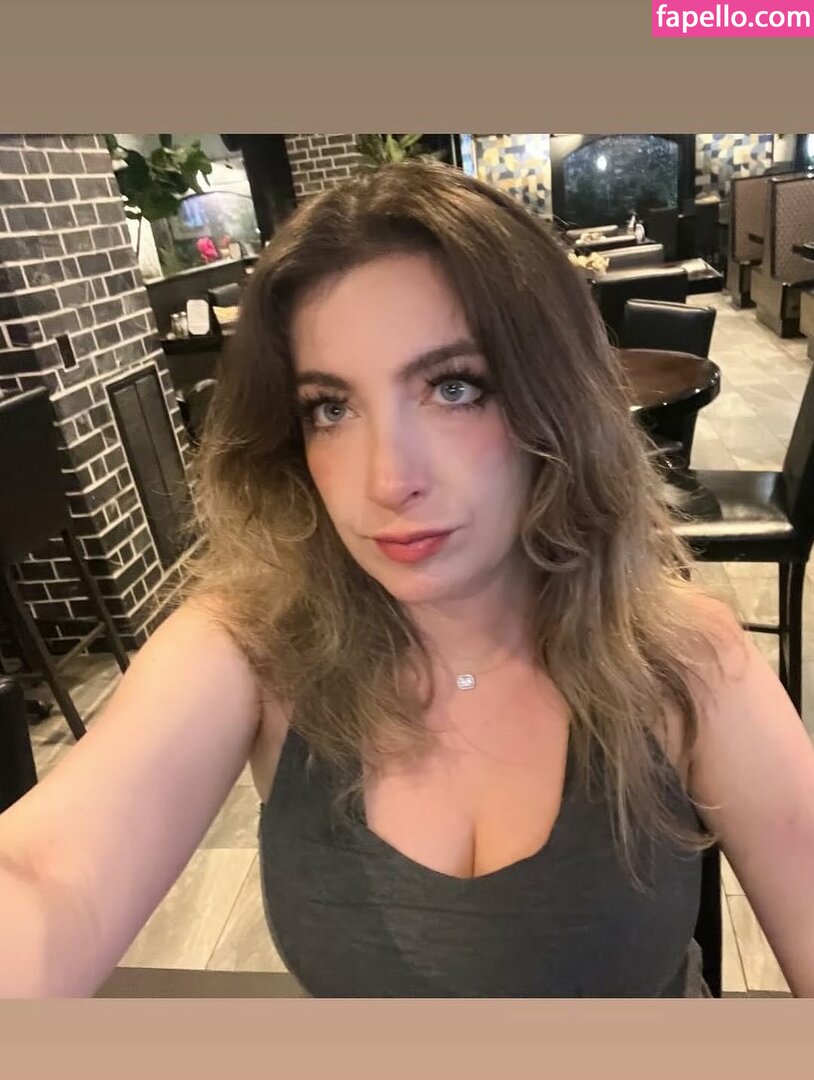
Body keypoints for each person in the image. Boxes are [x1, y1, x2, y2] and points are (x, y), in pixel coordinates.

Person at [1, 161, 813, 998]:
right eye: (331, 408)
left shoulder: (683, 660)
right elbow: (47, 875)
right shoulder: (250, 650)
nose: (388, 480)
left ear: (554, 399)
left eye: (454, 388)